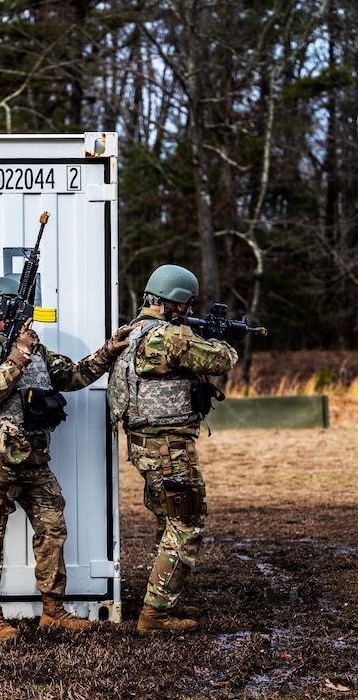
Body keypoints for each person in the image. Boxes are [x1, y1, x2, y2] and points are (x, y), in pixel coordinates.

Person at [0, 276, 130, 642]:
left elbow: (74, 374)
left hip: (34, 460)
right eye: (10, 308)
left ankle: (53, 610)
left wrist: (110, 350)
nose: (21, 316)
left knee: (52, 529)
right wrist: (19, 352)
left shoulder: (36, 350)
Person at [107, 264, 238, 633]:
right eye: (187, 306)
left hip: (147, 445)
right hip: (168, 448)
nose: (190, 313)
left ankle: (167, 597)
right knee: (186, 522)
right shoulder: (167, 336)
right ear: (174, 304)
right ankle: (156, 614)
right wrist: (224, 341)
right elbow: (220, 360)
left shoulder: (133, 331)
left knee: (168, 519)